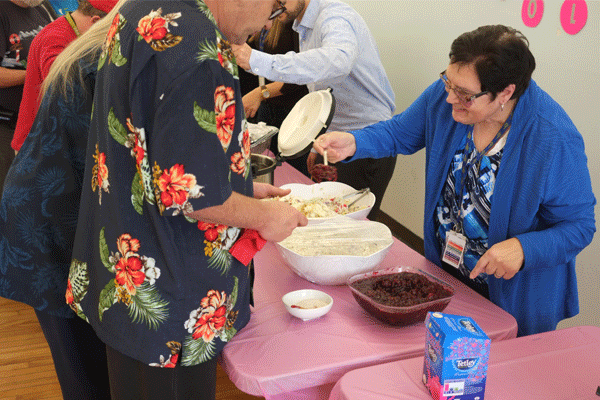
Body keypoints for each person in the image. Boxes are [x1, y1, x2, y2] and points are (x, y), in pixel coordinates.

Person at [65, 1, 307, 399]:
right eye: (275, 5)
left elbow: (153, 147)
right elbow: (193, 195)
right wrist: (264, 215)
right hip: (172, 301)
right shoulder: (199, 50)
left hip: (129, 278)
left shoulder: (143, 10)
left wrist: (239, 185)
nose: (269, 21)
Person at [313, 25, 596, 337]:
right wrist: (354, 143)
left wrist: (523, 248)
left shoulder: (552, 136)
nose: (449, 98)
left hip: (514, 297)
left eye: (464, 95)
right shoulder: (450, 95)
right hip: (449, 277)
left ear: (505, 92)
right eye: (448, 82)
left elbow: (579, 226)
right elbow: (400, 132)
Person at [0, 1, 122, 398]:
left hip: (60, 190)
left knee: (87, 340)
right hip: (46, 207)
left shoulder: (95, 52)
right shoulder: (83, 60)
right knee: (77, 352)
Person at [231, 0, 397, 220]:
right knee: (325, 218)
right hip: (337, 137)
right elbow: (322, 90)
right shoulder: (303, 25)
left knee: (346, 226)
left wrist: (258, 60)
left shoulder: (334, 16)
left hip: (366, 140)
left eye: (280, 2)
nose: (274, 8)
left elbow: (338, 61)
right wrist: (317, 140)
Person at [12, 0, 116, 153]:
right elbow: (67, 92)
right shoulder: (55, 39)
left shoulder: (69, 27)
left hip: (52, 140)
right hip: (38, 147)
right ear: (96, 22)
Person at [239, 18, 310, 176]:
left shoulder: (292, 22)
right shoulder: (265, 20)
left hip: (294, 112)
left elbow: (298, 79)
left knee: (294, 175)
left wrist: (260, 93)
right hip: (269, 108)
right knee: (266, 172)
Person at [0, 0, 56, 196]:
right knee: (8, 195)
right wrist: (33, 73)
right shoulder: (3, 11)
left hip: (37, 122)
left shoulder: (41, 8)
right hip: (7, 125)